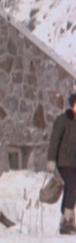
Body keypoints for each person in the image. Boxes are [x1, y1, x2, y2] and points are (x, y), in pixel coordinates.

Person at [47, 93, 76, 235]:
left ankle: (65, 219)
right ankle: (67, 219)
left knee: (71, 187)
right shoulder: (63, 120)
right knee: (73, 184)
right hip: (63, 161)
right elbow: (54, 140)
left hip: (74, 162)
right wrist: (51, 159)